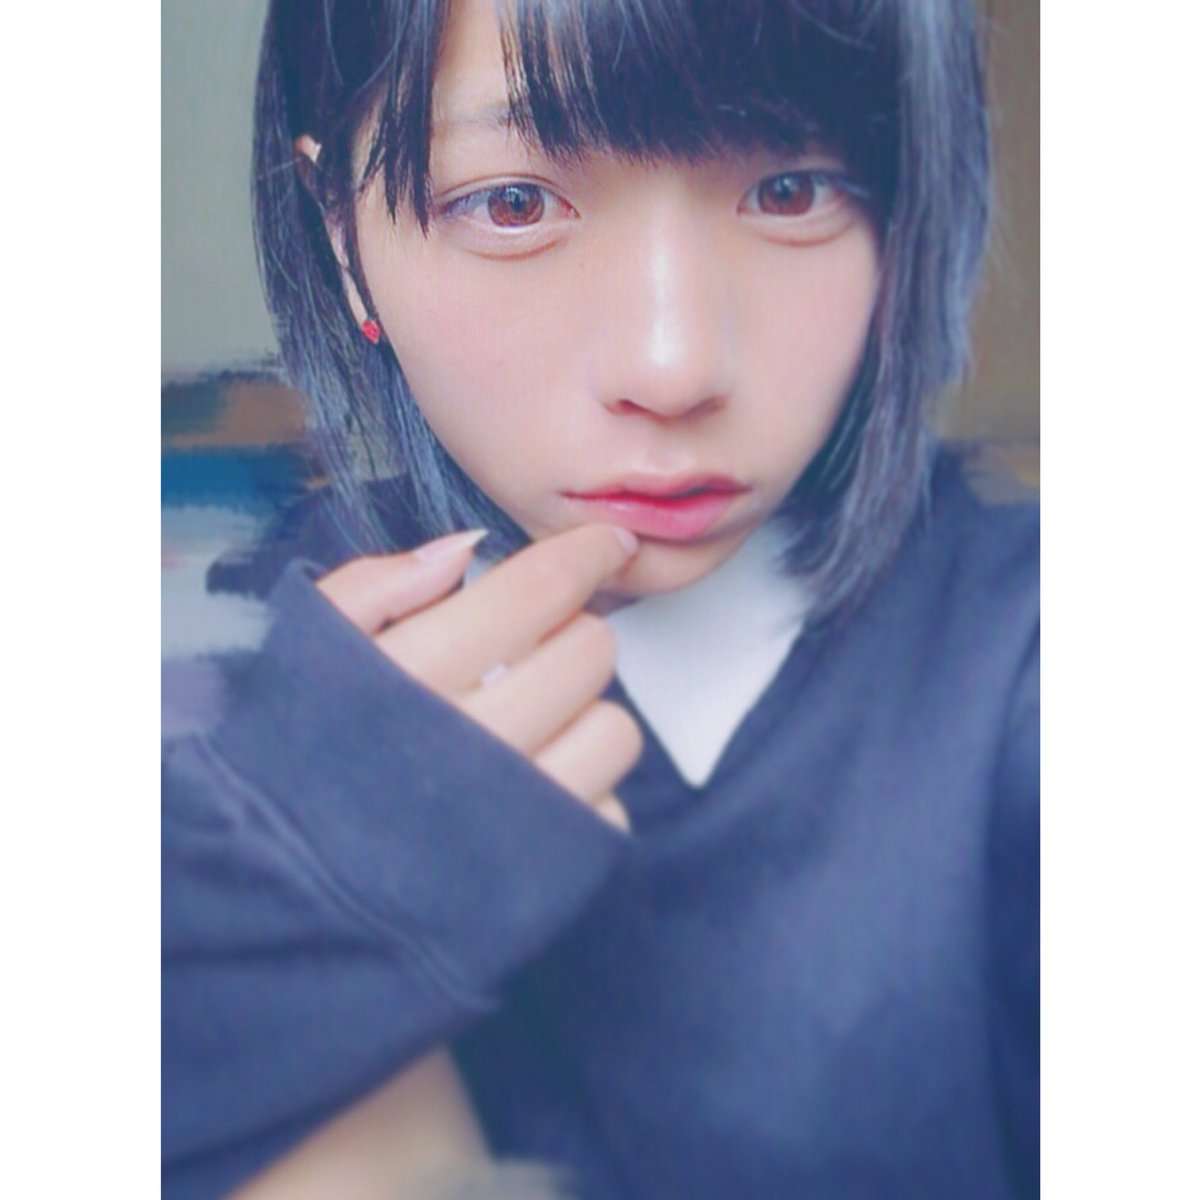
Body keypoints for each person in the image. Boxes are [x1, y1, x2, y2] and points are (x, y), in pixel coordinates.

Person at [163, 0, 1038, 1196]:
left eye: (792, 191)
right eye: (513, 204)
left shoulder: (1028, 666)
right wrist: (269, 908)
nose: (670, 366)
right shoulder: (196, 675)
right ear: (339, 236)